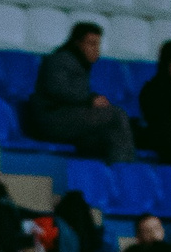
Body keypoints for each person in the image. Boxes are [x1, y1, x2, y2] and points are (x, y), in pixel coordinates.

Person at [23, 22, 132, 166]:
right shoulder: (61, 60)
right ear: (77, 43)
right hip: (53, 119)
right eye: (91, 44)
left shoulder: (78, 62)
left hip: (66, 117)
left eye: (98, 45)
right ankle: (123, 171)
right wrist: (90, 99)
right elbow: (58, 89)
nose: (96, 50)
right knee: (116, 115)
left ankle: (112, 175)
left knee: (109, 135)